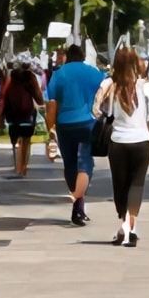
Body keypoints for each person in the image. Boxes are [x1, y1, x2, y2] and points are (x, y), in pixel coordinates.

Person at [93, 46, 149, 247]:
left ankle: (123, 226)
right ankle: (131, 228)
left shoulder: (109, 84)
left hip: (118, 144)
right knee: (137, 185)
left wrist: (109, 114)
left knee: (120, 187)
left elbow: (96, 110)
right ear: (136, 64)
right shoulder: (147, 87)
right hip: (141, 143)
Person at [44, 42, 105, 225]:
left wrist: (50, 127)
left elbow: (52, 103)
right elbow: (104, 91)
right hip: (88, 123)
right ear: (83, 56)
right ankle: (78, 204)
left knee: (70, 164)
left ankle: (77, 201)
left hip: (65, 124)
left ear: (67, 57)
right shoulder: (94, 72)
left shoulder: (59, 73)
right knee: (85, 162)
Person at [0, 60, 43, 179]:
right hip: (27, 115)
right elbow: (39, 99)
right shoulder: (30, 78)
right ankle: (23, 166)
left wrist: (1, 119)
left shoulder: (12, 81)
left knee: (16, 141)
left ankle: (17, 166)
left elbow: (4, 98)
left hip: (12, 117)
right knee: (26, 141)